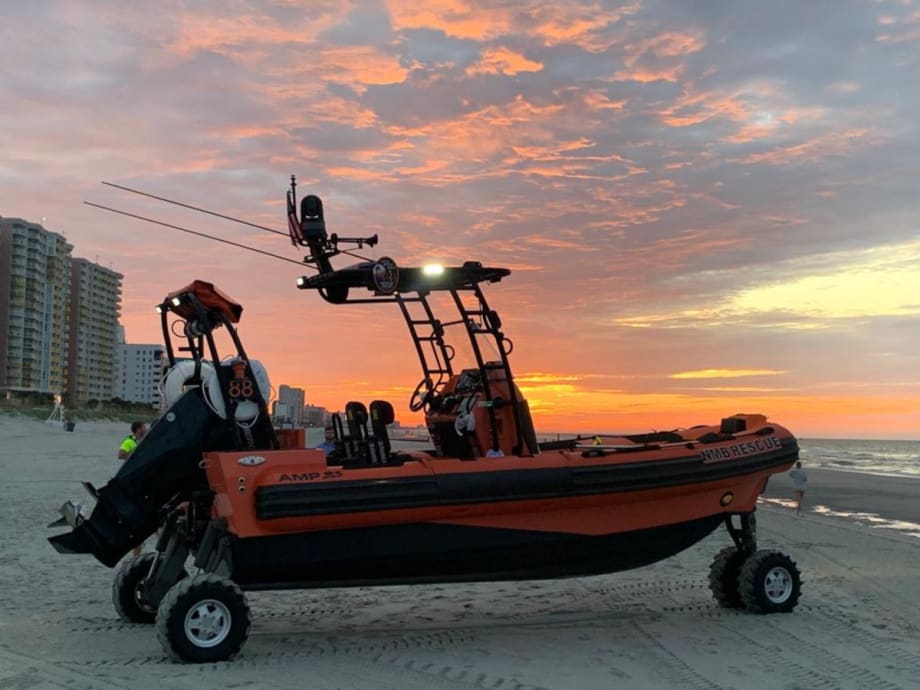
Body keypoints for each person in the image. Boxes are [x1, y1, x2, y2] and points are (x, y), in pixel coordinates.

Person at [118, 421, 148, 556]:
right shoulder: (130, 441)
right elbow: (121, 454)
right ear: (138, 429)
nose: (146, 429)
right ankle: (136, 554)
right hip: (135, 481)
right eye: (143, 427)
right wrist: (136, 453)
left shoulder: (148, 440)